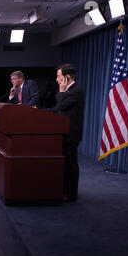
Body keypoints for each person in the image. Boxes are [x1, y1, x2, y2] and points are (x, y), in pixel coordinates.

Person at [46, 64, 85, 202]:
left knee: (70, 165)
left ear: (67, 78)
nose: (57, 80)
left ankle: (71, 194)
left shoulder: (76, 91)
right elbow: (57, 109)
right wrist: (38, 110)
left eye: (59, 76)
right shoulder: (67, 91)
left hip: (71, 134)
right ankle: (64, 191)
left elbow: (62, 105)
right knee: (65, 164)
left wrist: (61, 91)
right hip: (63, 132)